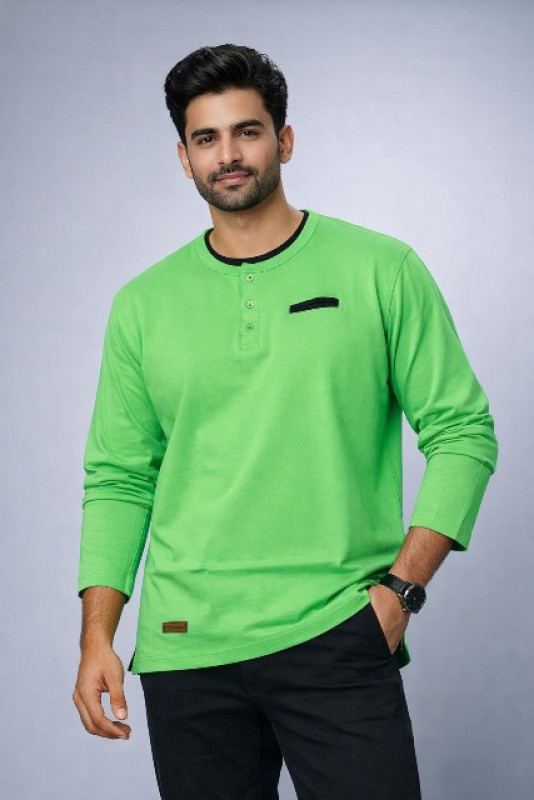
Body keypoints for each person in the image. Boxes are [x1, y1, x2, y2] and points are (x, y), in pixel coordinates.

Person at [72, 43, 499, 799]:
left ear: (285, 140)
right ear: (183, 157)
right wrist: (97, 636)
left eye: (248, 131)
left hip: (337, 630)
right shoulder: (143, 305)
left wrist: (401, 592)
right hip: (186, 649)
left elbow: (463, 431)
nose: (228, 155)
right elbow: (119, 478)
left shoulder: (381, 269)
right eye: (207, 138)